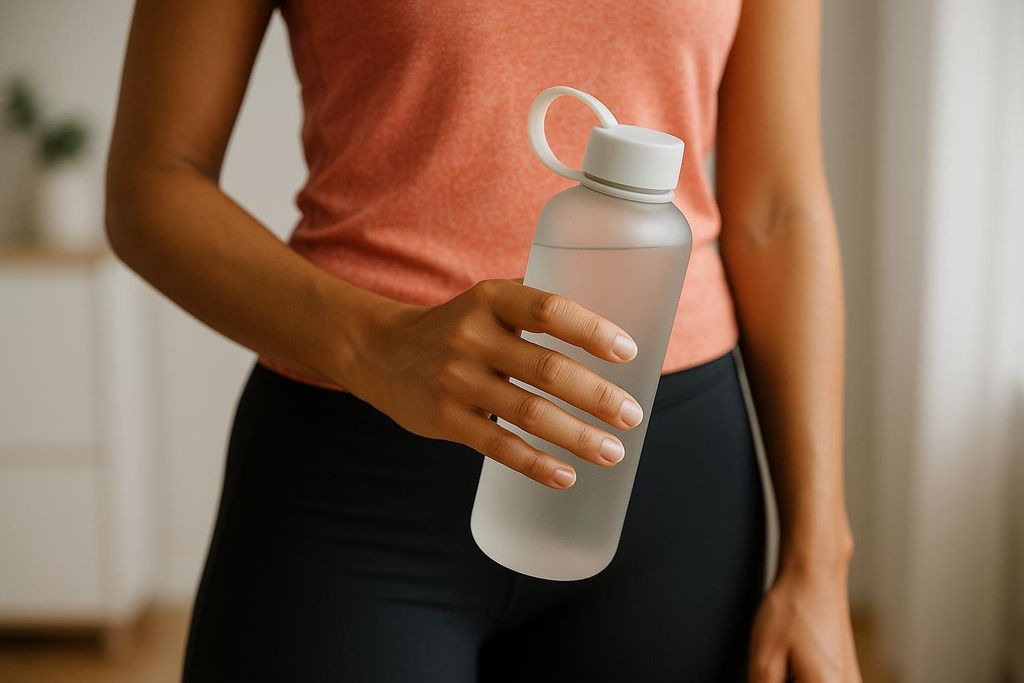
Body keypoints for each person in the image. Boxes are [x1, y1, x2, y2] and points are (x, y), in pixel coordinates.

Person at [106, 0, 861, 680]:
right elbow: (152, 181)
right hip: (356, 472)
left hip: (666, 484)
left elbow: (777, 211)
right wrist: (374, 343)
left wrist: (822, 557)